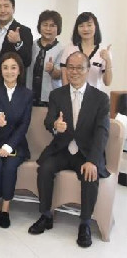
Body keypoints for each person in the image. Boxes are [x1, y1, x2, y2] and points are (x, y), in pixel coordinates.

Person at [29, 52, 110, 248]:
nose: (74, 72)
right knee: (45, 168)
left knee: (90, 174)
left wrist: (93, 160)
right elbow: (49, 121)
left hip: (86, 153)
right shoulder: (57, 94)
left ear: (87, 70)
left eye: (79, 68)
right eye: (70, 67)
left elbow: (102, 132)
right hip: (62, 149)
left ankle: (85, 224)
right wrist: (55, 126)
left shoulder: (100, 98)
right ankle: (46, 215)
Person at [0, 52, 33, 229]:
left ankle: (5, 210)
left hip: (16, 143)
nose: (9, 71)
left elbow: (24, 124)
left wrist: (9, 146)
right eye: (5, 68)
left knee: (10, 166)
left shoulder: (27, 94)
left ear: (19, 70)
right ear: (0, 70)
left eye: (13, 68)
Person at [0, 0, 33, 86]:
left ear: (13, 8)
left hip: (13, 86)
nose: (2, 10)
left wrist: (18, 43)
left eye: (6, 6)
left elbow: (27, 61)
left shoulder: (23, 31)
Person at [61, 12, 113, 93]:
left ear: (95, 27)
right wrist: (67, 96)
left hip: (94, 97)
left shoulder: (104, 51)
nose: (85, 29)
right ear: (77, 29)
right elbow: (64, 76)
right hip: (72, 95)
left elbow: (107, 82)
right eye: (81, 26)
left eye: (89, 25)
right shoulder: (69, 48)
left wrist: (108, 61)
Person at [27, 10, 64, 106]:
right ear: (39, 26)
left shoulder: (62, 49)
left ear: (58, 28)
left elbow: (60, 75)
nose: (48, 29)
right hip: (28, 95)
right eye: (45, 25)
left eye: (52, 25)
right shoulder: (32, 45)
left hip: (49, 98)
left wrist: (52, 70)